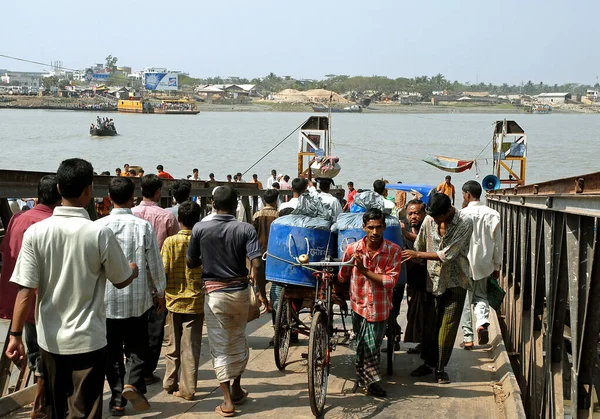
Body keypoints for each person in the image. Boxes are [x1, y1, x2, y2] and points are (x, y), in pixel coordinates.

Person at [6, 158, 139, 419]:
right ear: (89, 190)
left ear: (58, 188)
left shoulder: (37, 233)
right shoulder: (98, 233)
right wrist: (132, 268)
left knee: (56, 410)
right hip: (88, 340)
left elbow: (25, 290)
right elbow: (121, 280)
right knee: (86, 411)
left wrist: (15, 335)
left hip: (50, 340)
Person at [187, 186, 268, 417]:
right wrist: (261, 293)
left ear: (212, 203)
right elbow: (258, 263)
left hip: (215, 295)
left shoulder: (200, 228)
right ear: (236, 205)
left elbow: (191, 262)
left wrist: (207, 256)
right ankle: (237, 388)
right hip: (240, 292)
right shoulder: (245, 228)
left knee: (219, 345)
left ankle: (227, 401)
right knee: (238, 338)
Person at [96, 177, 167, 415]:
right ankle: (131, 381)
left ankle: (117, 399)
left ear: (109, 196)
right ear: (132, 197)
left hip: (106, 302)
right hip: (138, 301)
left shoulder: (98, 226)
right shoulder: (142, 226)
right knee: (139, 347)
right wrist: (160, 292)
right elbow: (154, 264)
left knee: (112, 352)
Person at [0, 175, 61, 418]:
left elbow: (7, 251)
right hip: (48, 300)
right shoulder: (53, 224)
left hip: (21, 303)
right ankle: (42, 402)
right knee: (53, 354)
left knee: (35, 350)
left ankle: (40, 400)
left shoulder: (17, 219)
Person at [402, 193, 472, 384]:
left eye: (437, 217)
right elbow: (419, 245)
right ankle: (427, 363)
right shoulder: (429, 221)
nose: (434, 220)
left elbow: (447, 255)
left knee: (447, 328)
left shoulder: (465, 222)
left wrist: (417, 254)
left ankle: (440, 369)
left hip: (456, 281)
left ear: (448, 211)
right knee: (430, 326)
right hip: (432, 281)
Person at [339, 208, 402, 397]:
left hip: (379, 307)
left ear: (384, 227)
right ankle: (363, 376)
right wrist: (350, 265)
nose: (375, 232)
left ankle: (372, 382)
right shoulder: (352, 249)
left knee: (372, 345)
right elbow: (343, 276)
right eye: (371, 228)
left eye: (379, 227)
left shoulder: (393, 250)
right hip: (358, 305)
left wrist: (364, 270)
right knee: (361, 343)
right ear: (364, 227)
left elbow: (390, 281)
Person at [132, 174, 179, 384]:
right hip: (157, 280)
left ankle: (133, 367)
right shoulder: (167, 217)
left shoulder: (131, 213)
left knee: (133, 325)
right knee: (155, 328)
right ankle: (147, 370)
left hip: (131, 279)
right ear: (158, 192)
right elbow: (174, 247)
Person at [162, 201, 204, 401]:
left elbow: (163, 272)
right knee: (190, 346)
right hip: (195, 300)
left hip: (173, 299)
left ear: (179, 219)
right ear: (198, 220)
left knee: (173, 344)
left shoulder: (170, 242)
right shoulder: (202, 241)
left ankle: (170, 381)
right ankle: (188, 388)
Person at [460, 180, 502, 349]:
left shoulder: (461, 214)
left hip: (464, 263)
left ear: (467, 194)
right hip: (484, 263)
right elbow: (498, 243)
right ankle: (482, 322)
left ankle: (468, 338)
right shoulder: (493, 214)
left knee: (465, 301)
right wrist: (497, 265)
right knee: (481, 296)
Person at [401, 200, 428, 353]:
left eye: (417, 213)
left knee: (425, 312)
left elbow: (425, 244)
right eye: (410, 213)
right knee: (413, 310)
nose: (413, 216)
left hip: (426, 277)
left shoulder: (429, 227)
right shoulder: (403, 226)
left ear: (423, 214)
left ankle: (425, 344)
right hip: (410, 276)